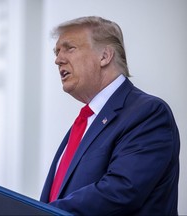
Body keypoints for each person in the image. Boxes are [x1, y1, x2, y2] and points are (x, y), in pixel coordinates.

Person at [40, 16, 180, 215]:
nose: (58, 59)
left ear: (104, 56)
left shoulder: (148, 113)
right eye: (57, 51)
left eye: (69, 48)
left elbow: (121, 190)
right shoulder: (87, 121)